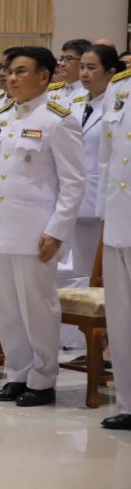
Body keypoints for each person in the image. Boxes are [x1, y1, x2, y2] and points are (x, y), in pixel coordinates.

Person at [0, 46, 84, 406]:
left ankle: (42, 378)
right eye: (9, 71)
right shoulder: (6, 116)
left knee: (37, 305)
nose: (11, 78)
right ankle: (17, 373)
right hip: (1, 226)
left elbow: (73, 183)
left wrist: (57, 231)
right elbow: (2, 177)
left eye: (21, 71)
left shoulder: (58, 119)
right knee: (7, 306)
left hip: (36, 230)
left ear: (44, 76)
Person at [67, 46, 124, 292]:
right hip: (72, 199)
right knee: (78, 272)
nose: (84, 73)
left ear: (110, 72)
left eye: (91, 68)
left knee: (102, 274)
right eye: (82, 67)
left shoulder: (119, 106)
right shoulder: (75, 104)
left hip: (101, 198)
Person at [98, 51, 131, 429]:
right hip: (119, 218)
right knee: (121, 317)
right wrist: (104, 213)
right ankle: (127, 401)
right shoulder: (120, 88)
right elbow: (106, 160)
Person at [50, 38, 91, 107]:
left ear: (83, 61)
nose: (62, 64)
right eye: (61, 59)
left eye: (69, 59)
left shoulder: (90, 92)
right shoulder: (52, 90)